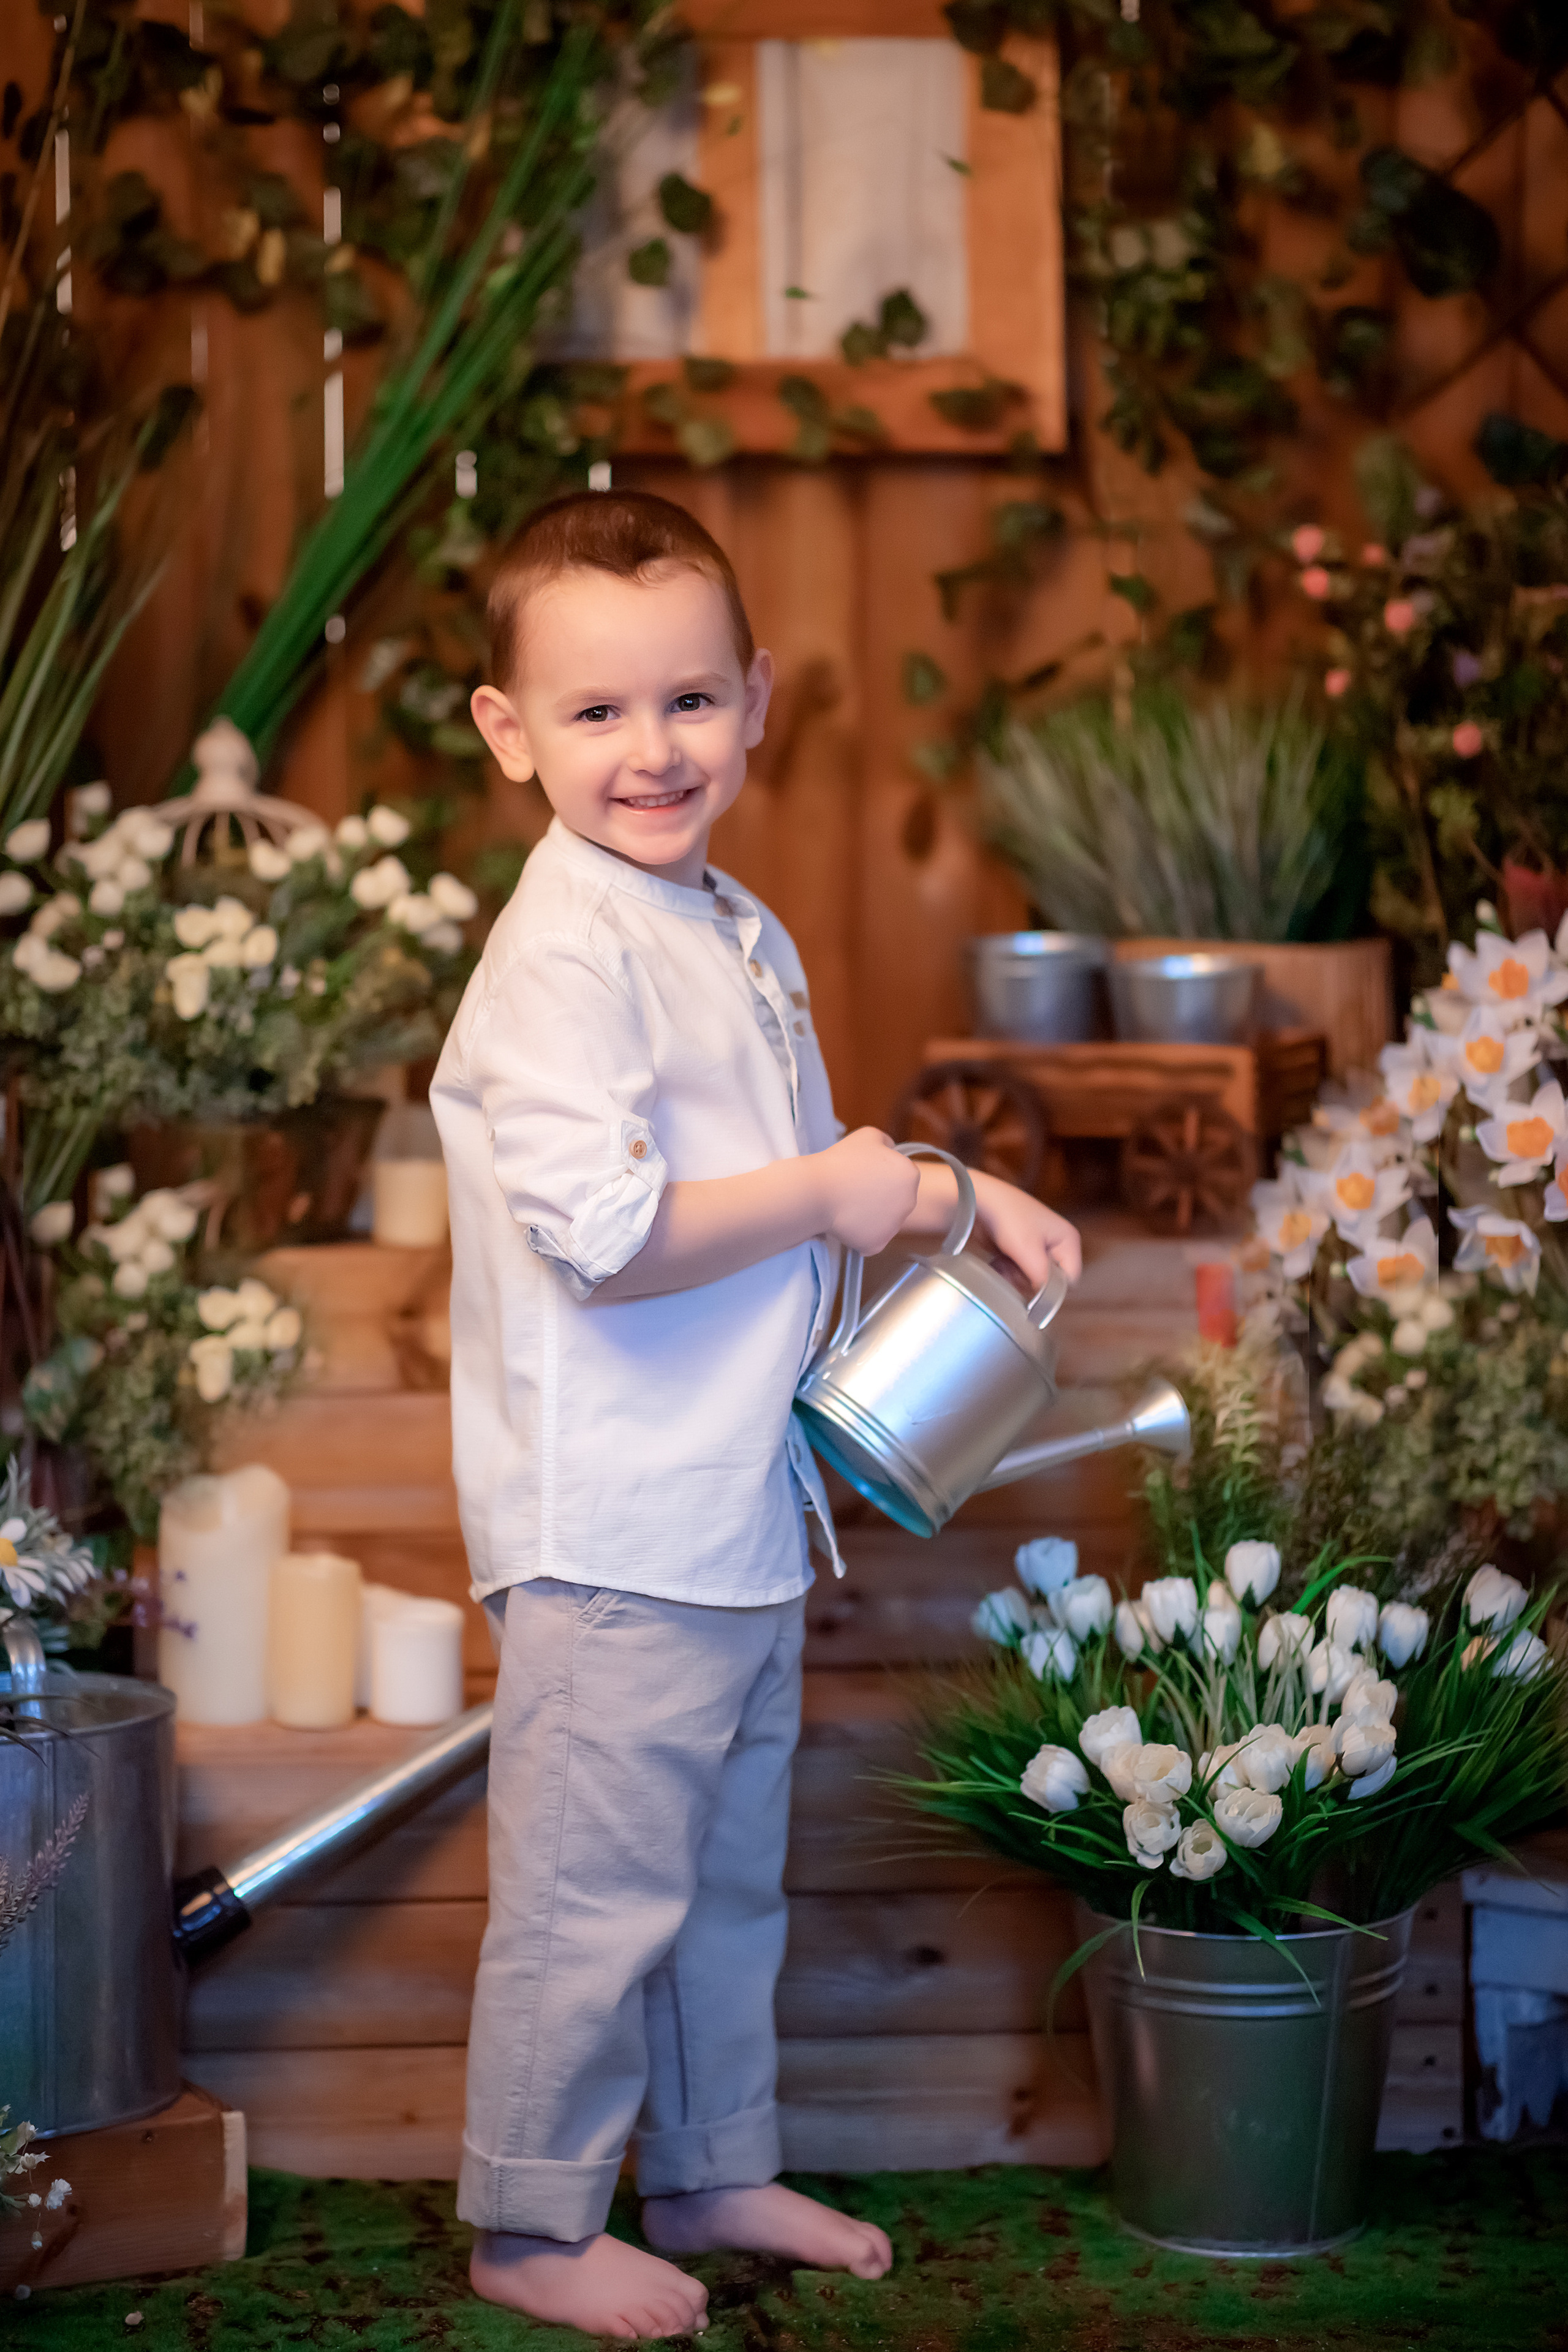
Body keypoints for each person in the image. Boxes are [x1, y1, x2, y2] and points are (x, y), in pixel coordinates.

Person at [432, 488, 1081, 2341]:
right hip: (610, 1526)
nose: (654, 750)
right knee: (590, 1896)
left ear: (759, 699)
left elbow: (806, 1164)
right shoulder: (560, 953)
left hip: (729, 1513)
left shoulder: (727, 919)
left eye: (691, 702)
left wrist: (956, 1198)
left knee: (718, 1875)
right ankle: (533, 2216)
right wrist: (843, 1195)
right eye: (598, 712)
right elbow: (621, 1239)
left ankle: (712, 2158)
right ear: (509, 732)